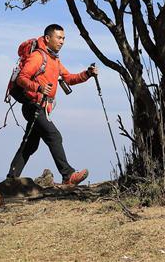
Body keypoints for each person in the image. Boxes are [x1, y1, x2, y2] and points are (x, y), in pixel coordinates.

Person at [7, 24, 98, 185]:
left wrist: (87, 74)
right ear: (48, 38)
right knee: (54, 136)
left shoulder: (54, 59)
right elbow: (22, 78)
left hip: (41, 106)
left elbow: (69, 78)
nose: (62, 41)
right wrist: (39, 88)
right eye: (59, 37)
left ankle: (11, 178)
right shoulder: (38, 56)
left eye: (63, 38)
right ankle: (68, 175)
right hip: (33, 105)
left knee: (29, 144)